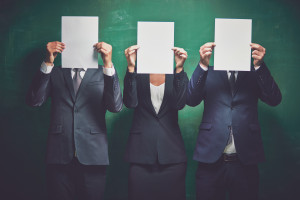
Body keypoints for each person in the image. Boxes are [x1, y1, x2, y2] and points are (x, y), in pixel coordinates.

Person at [26, 41, 122, 200]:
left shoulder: (104, 72)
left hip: (94, 156)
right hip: (59, 154)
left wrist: (107, 63)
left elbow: (115, 106)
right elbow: (34, 101)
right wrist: (48, 62)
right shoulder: (55, 72)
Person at [187, 42, 282, 200]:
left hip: (245, 162)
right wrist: (203, 64)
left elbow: (274, 99)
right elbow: (190, 99)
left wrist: (259, 66)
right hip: (210, 161)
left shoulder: (255, 73)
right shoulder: (207, 72)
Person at [123, 45, 189, 200]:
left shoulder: (177, 76)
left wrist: (179, 68)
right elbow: (130, 102)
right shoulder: (137, 75)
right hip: (140, 155)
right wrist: (131, 67)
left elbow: (180, 104)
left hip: (172, 156)